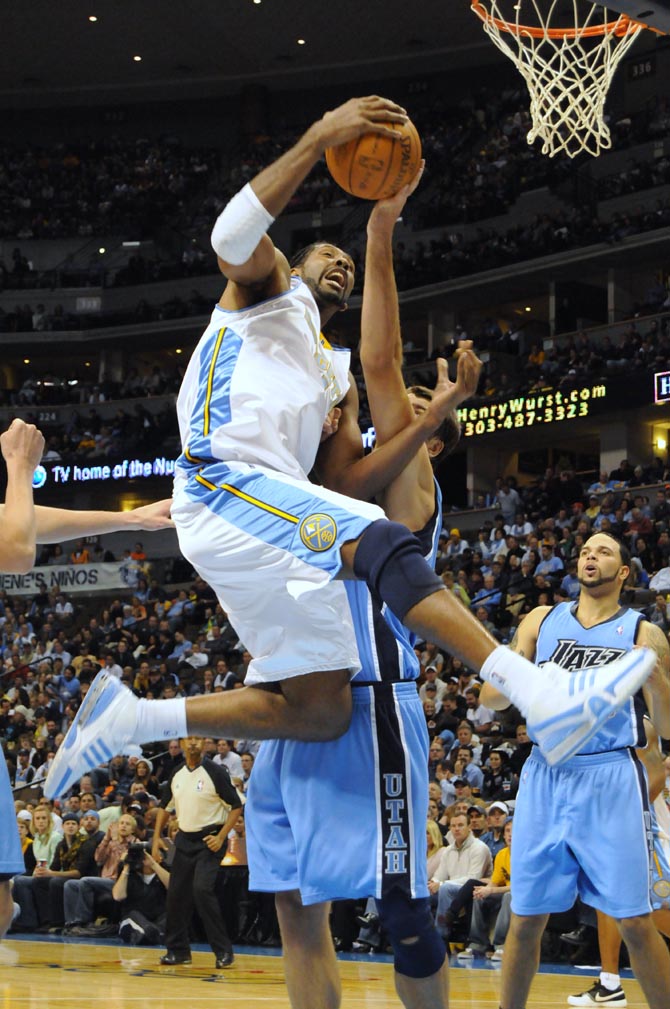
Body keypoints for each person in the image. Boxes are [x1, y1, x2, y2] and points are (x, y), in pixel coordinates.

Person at [45, 100, 655, 806]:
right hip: (223, 482)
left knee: (320, 709)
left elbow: (345, 477)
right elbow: (229, 236)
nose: (338, 265)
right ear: (292, 266)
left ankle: (131, 717)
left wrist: (386, 233)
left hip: (263, 525)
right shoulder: (268, 294)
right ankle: (542, 695)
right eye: (324, 256)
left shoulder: (332, 373)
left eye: (346, 262)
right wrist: (317, 141)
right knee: (381, 540)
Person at [244, 175, 470, 1009]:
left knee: (405, 909)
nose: (394, 403)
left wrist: (382, 229)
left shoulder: (406, 485)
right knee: (296, 907)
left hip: (369, 699)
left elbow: (379, 358)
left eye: (413, 409)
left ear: (433, 441)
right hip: (291, 700)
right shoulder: (328, 473)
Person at [480, 531, 670, 1009]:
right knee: (525, 917)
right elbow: (490, 700)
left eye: (604, 551)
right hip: (546, 773)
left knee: (633, 921)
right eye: (586, 550)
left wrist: (657, 679)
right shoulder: (541, 620)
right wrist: (517, 679)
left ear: (624, 572)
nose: (591, 555)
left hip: (609, 775)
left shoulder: (643, 633)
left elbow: (667, 725)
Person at [567, 717, 670, 1007]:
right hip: (612, 825)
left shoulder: (638, 722)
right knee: (605, 901)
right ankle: (610, 982)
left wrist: (624, 817)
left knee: (653, 910)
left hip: (643, 827)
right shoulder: (596, 721)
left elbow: (657, 774)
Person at [151, 736, 241, 969]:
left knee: (202, 890)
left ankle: (223, 952)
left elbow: (236, 806)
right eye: (188, 739)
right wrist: (155, 838)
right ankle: (178, 951)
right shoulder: (177, 773)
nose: (193, 743)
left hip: (210, 839)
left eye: (198, 739)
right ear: (181, 744)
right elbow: (164, 806)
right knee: (176, 894)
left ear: (205, 745)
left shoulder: (215, 772)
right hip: (184, 839)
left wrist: (221, 836)